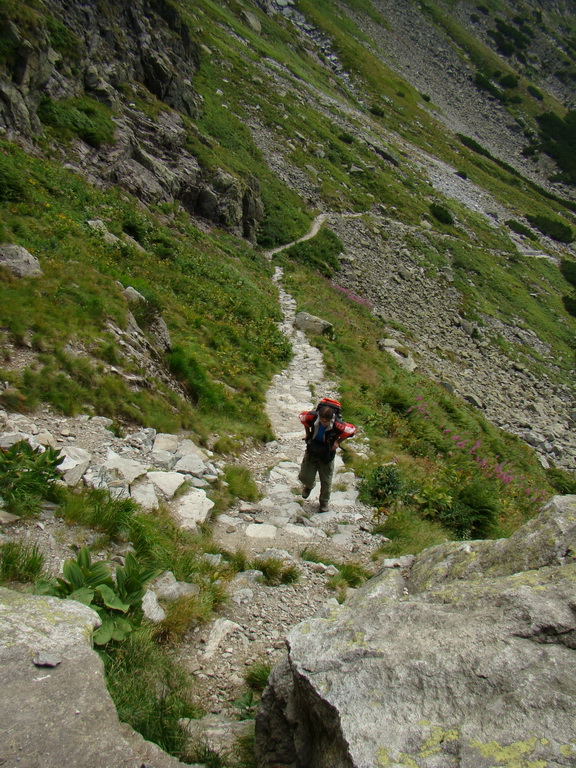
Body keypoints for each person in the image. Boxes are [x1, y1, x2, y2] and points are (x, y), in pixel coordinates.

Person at [298, 400, 356, 513]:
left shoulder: (337, 424)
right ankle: (309, 485)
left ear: (331, 419)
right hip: (312, 449)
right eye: (322, 420)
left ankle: (324, 502)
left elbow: (351, 430)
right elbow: (302, 418)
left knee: (326, 480)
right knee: (304, 475)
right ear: (319, 416)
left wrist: (338, 442)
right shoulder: (313, 417)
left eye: (326, 421)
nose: (323, 423)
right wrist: (307, 433)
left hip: (327, 453)